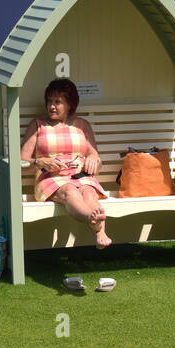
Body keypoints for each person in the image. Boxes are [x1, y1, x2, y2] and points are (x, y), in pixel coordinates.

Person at [19, 78, 110, 248]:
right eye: (49, 101)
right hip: (51, 179)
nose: (51, 106)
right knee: (69, 191)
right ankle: (93, 220)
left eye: (57, 102)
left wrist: (93, 160)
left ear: (70, 104)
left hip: (80, 176)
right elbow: (22, 160)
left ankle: (100, 231)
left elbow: (95, 156)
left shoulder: (82, 125)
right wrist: (40, 162)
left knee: (89, 193)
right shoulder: (38, 125)